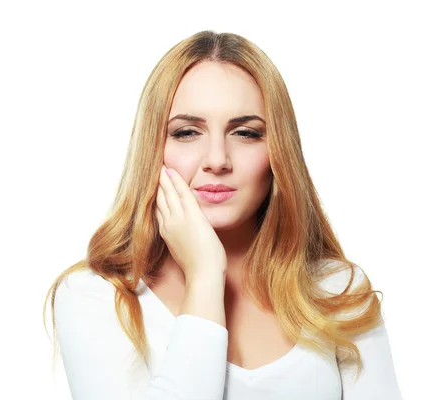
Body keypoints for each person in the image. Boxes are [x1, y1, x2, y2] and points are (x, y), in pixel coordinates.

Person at [43, 30, 402, 399]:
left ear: (279, 152)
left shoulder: (337, 291)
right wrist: (204, 275)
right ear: (153, 148)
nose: (217, 160)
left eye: (246, 133)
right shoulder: (98, 296)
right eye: (186, 132)